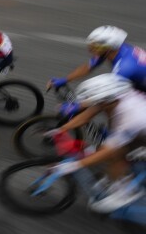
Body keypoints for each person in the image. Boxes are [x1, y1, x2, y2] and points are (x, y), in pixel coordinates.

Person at [47, 73, 146, 214]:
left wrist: (74, 165)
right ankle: (116, 178)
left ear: (105, 100)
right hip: (139, 129)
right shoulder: (113, 97)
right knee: (107, 149)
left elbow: (110, 150)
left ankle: (125, 191)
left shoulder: (130, 115)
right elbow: (85, 117)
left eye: (97, 101)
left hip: (138, 127)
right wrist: (61, 129)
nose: (94, 104)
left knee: (115, 153)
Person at [48, 25, 146, 93]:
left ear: (108, 48)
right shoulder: (115, 49)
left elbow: (110, 94)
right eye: (92, 46)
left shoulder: (125, 67)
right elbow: (88, 67)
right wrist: (65, 80)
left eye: (96, 47)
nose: (91, 50)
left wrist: (78, 107)